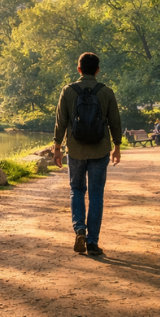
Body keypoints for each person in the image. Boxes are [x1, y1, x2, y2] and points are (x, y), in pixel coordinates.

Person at [53, 52, 123, 257]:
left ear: (79, 69)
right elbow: (114, 121)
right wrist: (117, 146)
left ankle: (80, 230)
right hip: (100, 150)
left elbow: (61, 122)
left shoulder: (68, 91)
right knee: (96, 194)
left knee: (76, 189)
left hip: (75, 150)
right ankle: (92, 242)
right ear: (98, 70)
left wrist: (57, 147)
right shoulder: (106, 92)